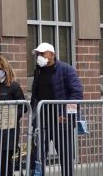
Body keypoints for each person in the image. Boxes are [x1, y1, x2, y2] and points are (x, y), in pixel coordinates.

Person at [30, 42, 83, 176]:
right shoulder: (38, 70)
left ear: (52, 54)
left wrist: (65, 114)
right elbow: (36, 92)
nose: (39, 56)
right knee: (38, 155)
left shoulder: (66, 69)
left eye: (42, 53)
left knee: (65, 155)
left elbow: (76, 93)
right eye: (38, 54)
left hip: (61, 121)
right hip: (42, 120)